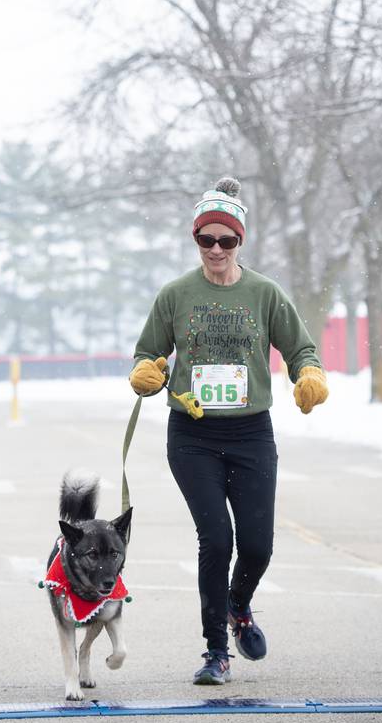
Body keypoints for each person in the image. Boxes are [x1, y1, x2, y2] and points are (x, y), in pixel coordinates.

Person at [130, 176, 329, 687]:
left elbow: (301, 347)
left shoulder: (264, 293)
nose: (216, 250)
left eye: (226, 240)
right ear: (195, 240)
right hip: (192, 436)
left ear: (240, 242)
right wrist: (148, 373)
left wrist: (309, 375)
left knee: (257, 545)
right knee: (215, 539)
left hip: (251, 434)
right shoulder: (176, 294)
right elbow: (148, 352)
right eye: (206, 240)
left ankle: (239, 604)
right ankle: (216, 649)